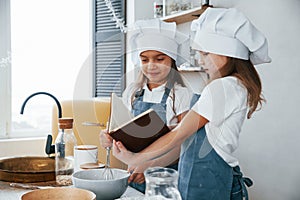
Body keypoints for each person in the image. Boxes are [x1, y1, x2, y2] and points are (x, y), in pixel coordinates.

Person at [112, 8, 271, 200]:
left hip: (212, 182)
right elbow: (188, 141)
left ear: (226, 53)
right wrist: (149, 164)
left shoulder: (223, 87)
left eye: (205, 53)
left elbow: (179, 134)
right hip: (196, 180)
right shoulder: (231, 86)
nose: (201, 60)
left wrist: (137, 158)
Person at [100, 18, 192, 193]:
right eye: (144, 59)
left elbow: (184, 144)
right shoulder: (132, 93)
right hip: (134, 174)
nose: (151, 66)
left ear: (171, 61)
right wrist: (108, 139)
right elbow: (123, 134)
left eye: (159, 59)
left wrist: (148, 166)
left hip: (167, 178)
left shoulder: (181, 95)